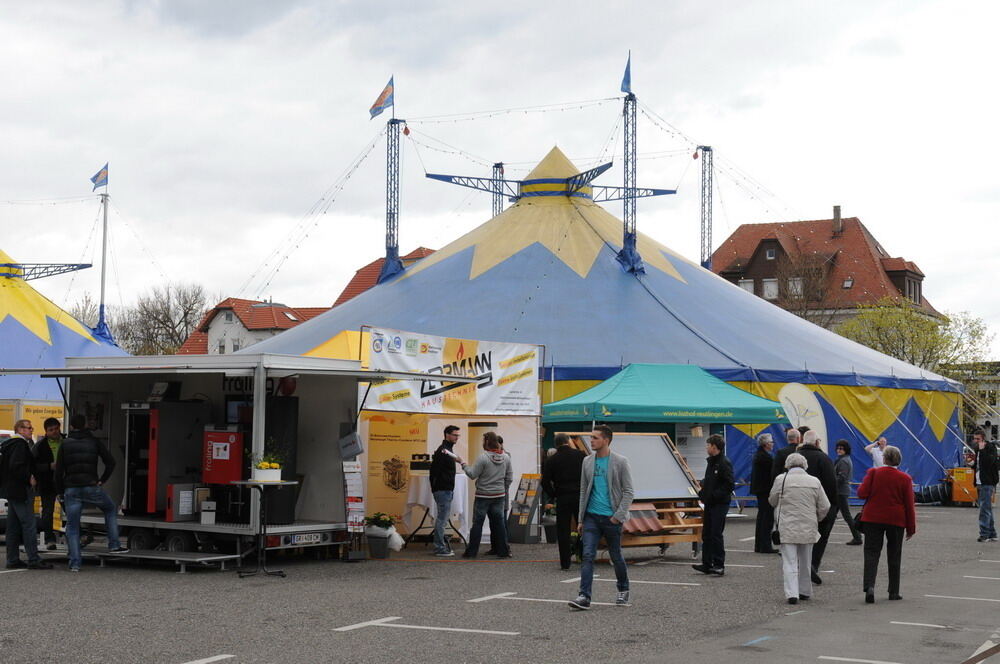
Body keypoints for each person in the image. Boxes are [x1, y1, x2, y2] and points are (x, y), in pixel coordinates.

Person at [569, 425, 634, 610]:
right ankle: (584, 596)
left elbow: (629, 491)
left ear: (606, 440)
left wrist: (617, 516)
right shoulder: (587, 461)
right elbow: (583, 490)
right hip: (591, 517)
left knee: (616, 555)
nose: (591, 441)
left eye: (595, 438)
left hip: (611, 517)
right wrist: (581, 519)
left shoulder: (620, 462)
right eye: (591, 437)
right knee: (588, 555)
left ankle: (623, 589)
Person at [54, 414, 128, 572]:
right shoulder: (94, 441)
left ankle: (75, 563)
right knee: (109, 508)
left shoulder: (65, 444)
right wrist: (102, 480)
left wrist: (60, 492)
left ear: (72, 426)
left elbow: (58, 471)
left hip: (71, 488)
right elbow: (111, 462)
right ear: (86, 425)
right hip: (91, 485)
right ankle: (114, 544)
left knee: (72, 527)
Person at [857, 445, 916, 603]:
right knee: (894, 554)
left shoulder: (874, 473)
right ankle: (893, 591)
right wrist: (911, 528)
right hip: (896, 519)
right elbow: (909, 505)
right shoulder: (905, 479)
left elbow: (861, 493)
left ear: (884, 458)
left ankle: (869, 586)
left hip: (873, 518)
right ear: (899, 460)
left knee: (871, 553)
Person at [769, 453, 830, 604]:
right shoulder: (814, 481)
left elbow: (772, 500)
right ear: (805, 465)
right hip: (808, 525)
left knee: (789, 561)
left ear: (787, 465)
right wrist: (817, 518)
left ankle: (792, 594)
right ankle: (804, 591)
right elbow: (825, 505)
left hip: (787, 525)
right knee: (805, 561)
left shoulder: (780, 480)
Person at [0, 420, 53, 569]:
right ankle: (33, 559)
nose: (31, 430)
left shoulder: (9, 445)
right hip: (21, 491)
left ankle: (12, 559)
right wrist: (29, 477)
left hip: (11, 491)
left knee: (13, 526)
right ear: (20, 429)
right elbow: (16, 466)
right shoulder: (20, 445)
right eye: (29, 428)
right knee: (29, 524)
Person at [460, 432, 512, 559]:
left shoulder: (483, 457)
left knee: (478, 523)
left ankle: (472, 552)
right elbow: (509, 477)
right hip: (499, 495)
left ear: (486, 443)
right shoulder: (506, 458)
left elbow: (472, 474)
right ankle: (503, 551)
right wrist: (502, 488)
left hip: (483, 495)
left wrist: (463, 464)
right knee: (499, 524)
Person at [796, 430, 838, 584]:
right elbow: (831, 484)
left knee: (799, 537)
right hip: (818, 504)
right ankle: (813, 565)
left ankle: (800, 565)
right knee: (821, 537)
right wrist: (833, 505)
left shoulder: (793, 458)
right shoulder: (823, 459)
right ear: (817, 442)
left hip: (797, 505)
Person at [542, 433, 587, 570]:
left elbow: (544, 482)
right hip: (580, 495)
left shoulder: (552, 460)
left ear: (556, 444)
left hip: (562, 496)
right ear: (568, 441)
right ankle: (585, 557)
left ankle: (565, 562)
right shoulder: (581, 455)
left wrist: (554, 494)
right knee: (584, 526)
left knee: (563, 530)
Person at [693, 434, 734, 576]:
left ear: (714, 447)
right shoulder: (711, 462)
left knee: (716, 534)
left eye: (707, 445)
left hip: (720, 504)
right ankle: (706, 563)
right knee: (707, 534)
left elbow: (729, 484)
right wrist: (703, 486)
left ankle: (719, 565)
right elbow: (712, 479)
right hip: (710, 503)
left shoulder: (724, 462)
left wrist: (713, 495)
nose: (706, 447)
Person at [428, 425, 463, 557]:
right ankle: (439, 547)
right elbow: (434, 471)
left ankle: (440, 546)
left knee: (442, 518)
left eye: (458, 435)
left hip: (444, 488)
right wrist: (435, 487)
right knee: (442, 519)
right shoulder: (443, 451)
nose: (457, 438)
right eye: (455, 435)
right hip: (443, 489)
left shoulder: (447, 450)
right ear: (447, 435)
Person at [32, 417, 65, 550]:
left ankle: (76, 536)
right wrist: (48, 466)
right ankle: (50, 539)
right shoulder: (40, 446)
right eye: (51, 430)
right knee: (48, 512)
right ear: (46, 431)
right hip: (47, 483)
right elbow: (32, 465)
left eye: (56, 429)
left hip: (65, 481)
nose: (54, 432)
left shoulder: (66, 441)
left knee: (71, 509)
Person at [750, 433, 778, 554]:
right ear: (766, 444)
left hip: (760, 490)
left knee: (762, 517)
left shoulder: (759, 455)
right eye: (771, 442)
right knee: (767, 517)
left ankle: (759, 545)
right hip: (765, 490)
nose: (772, 444)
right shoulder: (765, 458)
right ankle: (765, 545)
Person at [969, 428, 998, 542]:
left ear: (983, 439)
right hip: (979, 481)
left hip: (988, 482)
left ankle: (984, 534)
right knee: (987, 508)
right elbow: (979, 465)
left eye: (978, 439)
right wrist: (972, 464)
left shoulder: (990, 448)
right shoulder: (977, 449)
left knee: (984, 509)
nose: (976, 441)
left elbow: (989, 462)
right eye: (974, 439)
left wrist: (982, 451)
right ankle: (992, 533)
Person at [834, 440, 863, 545]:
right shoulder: (843, 459)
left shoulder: (844, 461)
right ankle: (857, 536)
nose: (838, 450)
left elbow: (842, 478)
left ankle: (857, 537)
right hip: (840, 491)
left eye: (841, 448)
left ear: (846, 450)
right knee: (832, 515)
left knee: (846, 516)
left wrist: (831, 483)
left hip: (841, 491)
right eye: (838, 448)